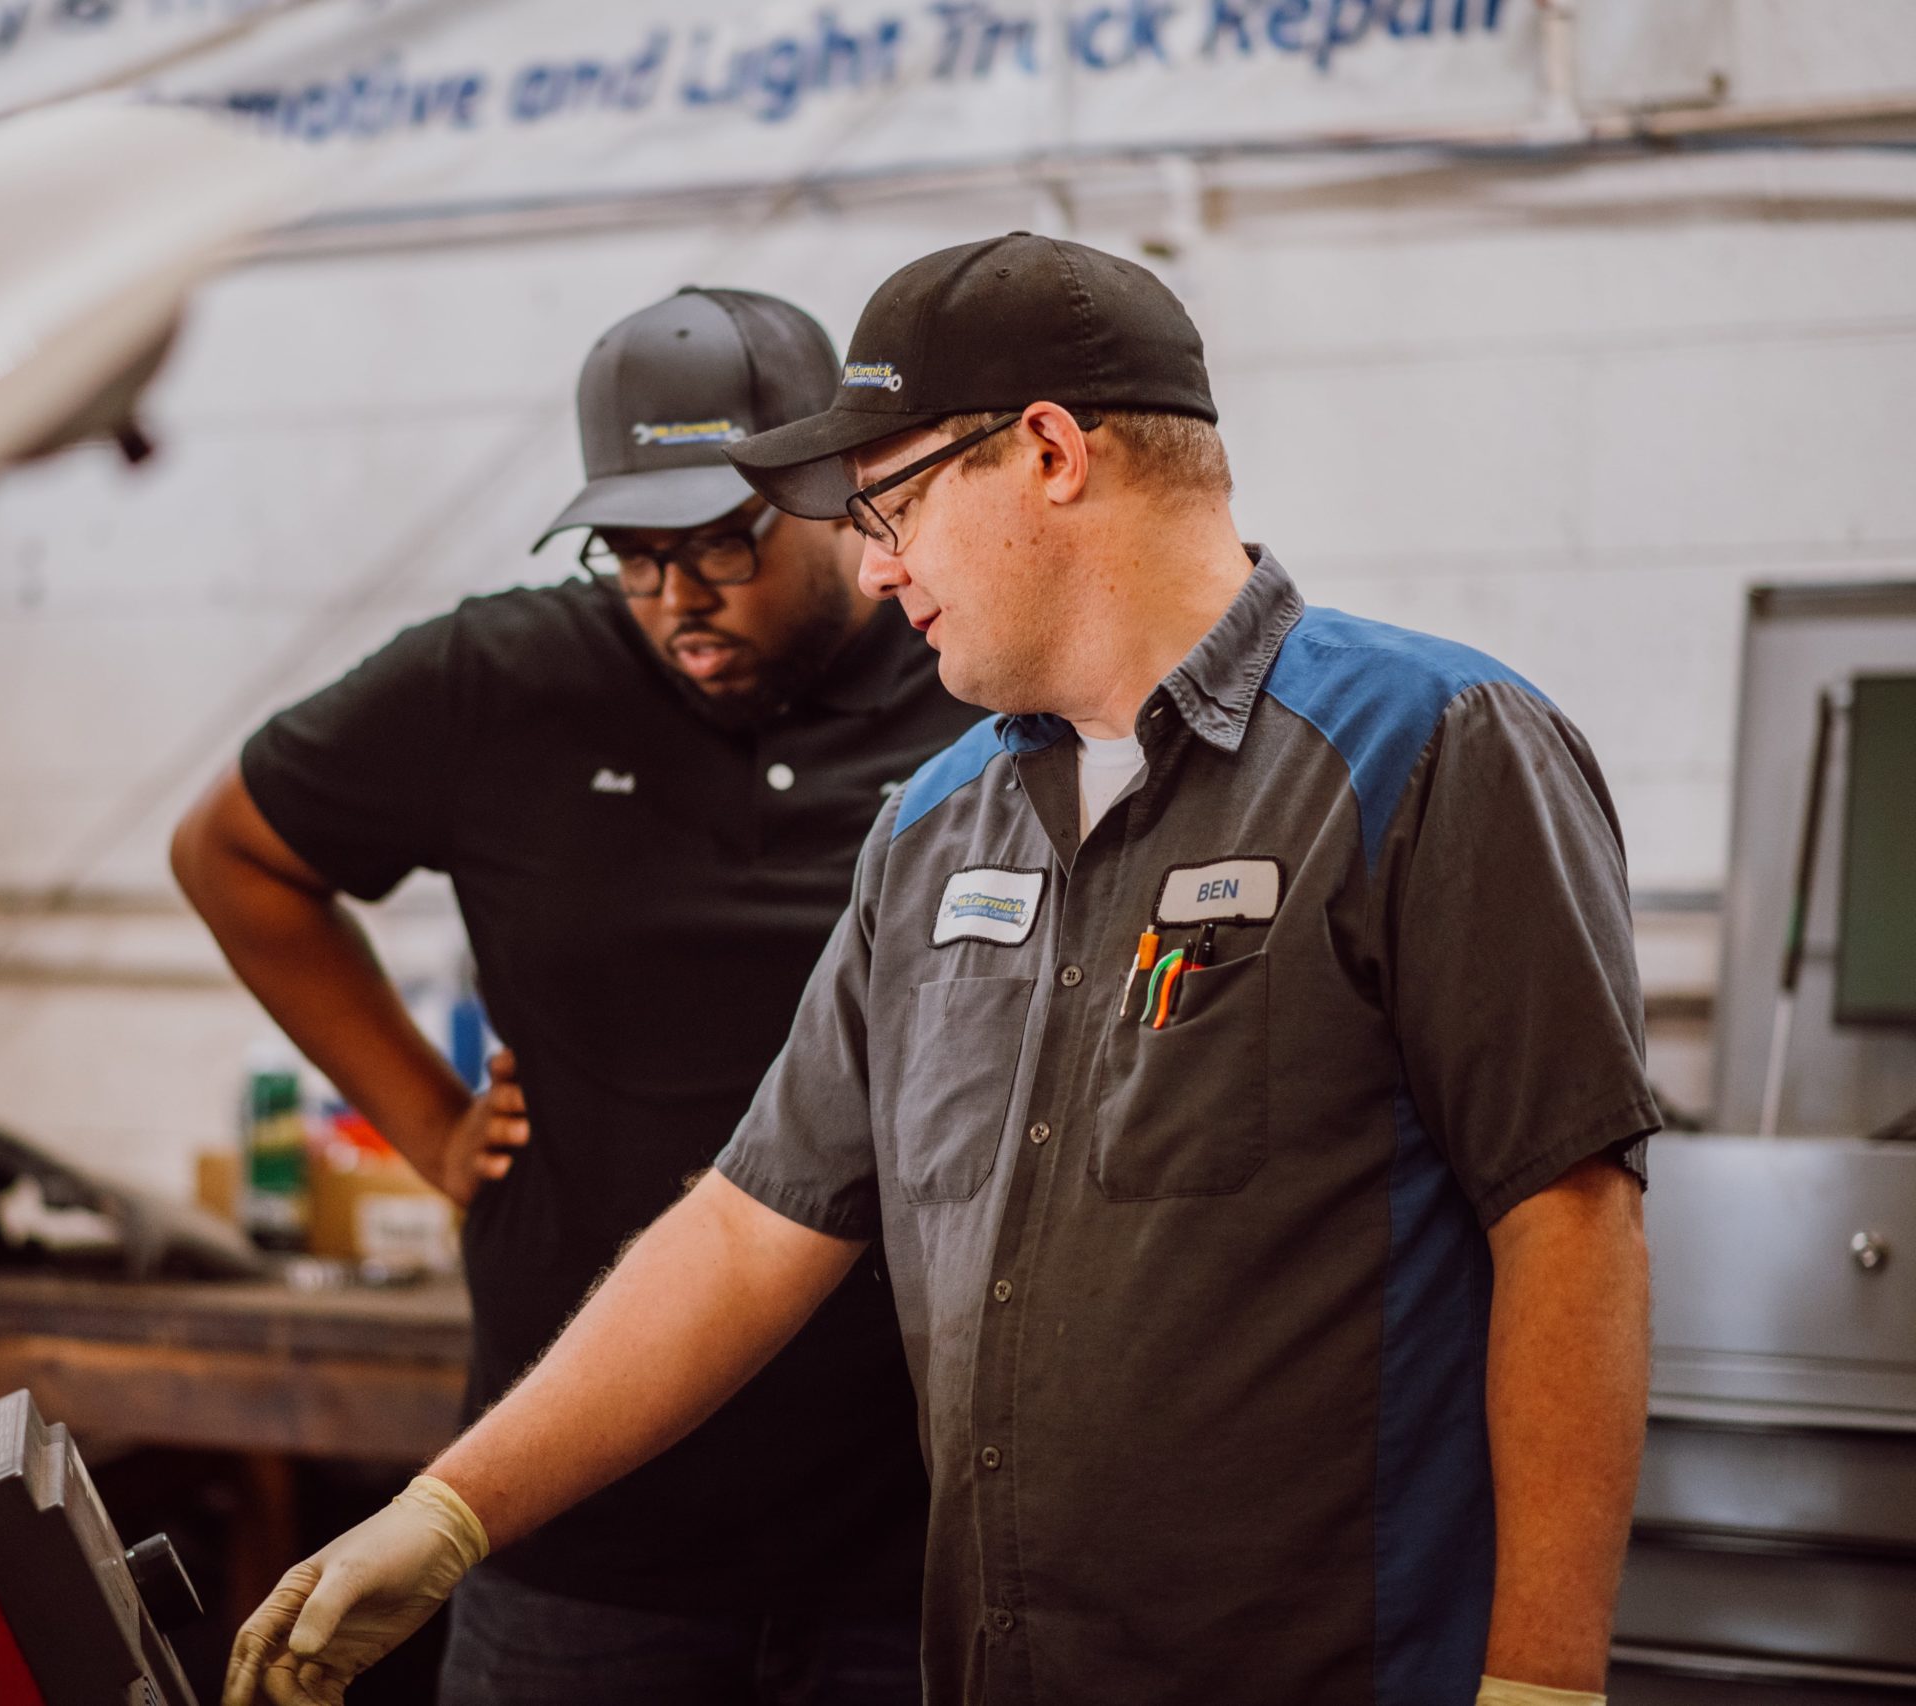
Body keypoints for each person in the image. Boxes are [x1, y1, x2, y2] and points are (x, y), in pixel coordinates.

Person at [220, 235, 1657, 1706]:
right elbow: (745, 1230)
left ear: (1045, 454)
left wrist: (1543, 1677)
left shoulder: (1429, 749)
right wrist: (452, 1508)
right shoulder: (932, 827)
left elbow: (1567, 1213)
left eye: (892, 503)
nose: (876, 561)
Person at [172, 285, 983, 1704]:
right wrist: (428, 1125)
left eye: (723, 544)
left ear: (834, 494)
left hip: (905, 1533)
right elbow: (231, 852)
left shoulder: (968, 675)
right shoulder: (502, 681)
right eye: (633, 556)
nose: (679, 599)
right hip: (577, 1532)